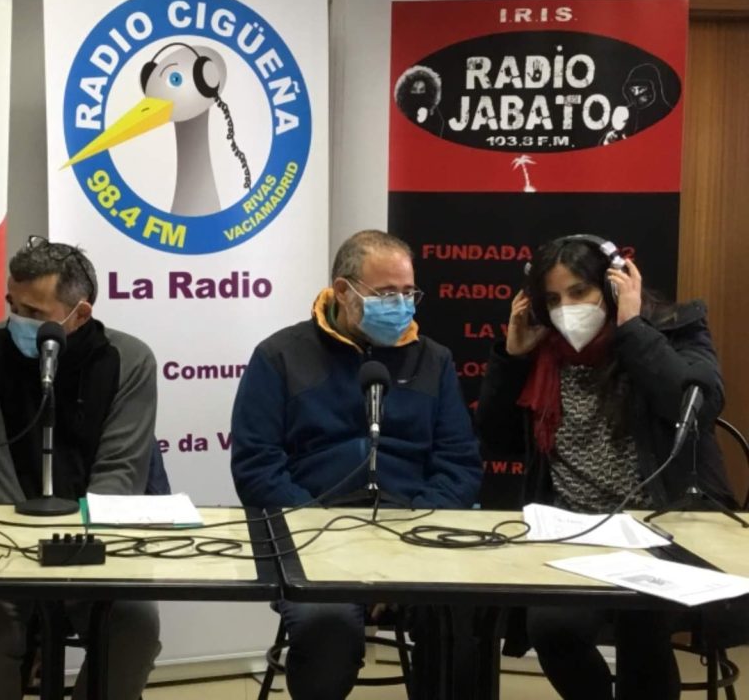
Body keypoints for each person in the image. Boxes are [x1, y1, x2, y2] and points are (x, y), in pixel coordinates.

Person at [475, 234, 735, 700]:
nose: (567, 308)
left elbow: (693, 410)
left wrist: (633, 329)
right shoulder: (543, 353)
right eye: (553, 299)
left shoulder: (676, 328)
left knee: (642, 622)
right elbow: (497, 441)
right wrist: (512, 359)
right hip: (575, 531)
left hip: (664, 527)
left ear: (613, 286)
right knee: (551, 626)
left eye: (579, 292)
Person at [230, 229, 482, 700]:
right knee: (326, 624)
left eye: (409, 293)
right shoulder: (279, 356)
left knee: (457, 612)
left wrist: (405, 544)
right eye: (387, 294)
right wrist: (331, 541)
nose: (401, 306)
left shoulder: (434, 360)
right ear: (343, 291)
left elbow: (459, 464)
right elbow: (257, 467)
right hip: (311, 537)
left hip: (412, 533)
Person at [0, 235, 162, 700]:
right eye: (12, 305)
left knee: (133, 623)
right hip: (2, 538)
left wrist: (74, 547)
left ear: (79, 314)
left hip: (93, 540)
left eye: (34, 312)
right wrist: (26, 544)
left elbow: (120, 473)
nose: (18, 320)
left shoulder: (129, 360)